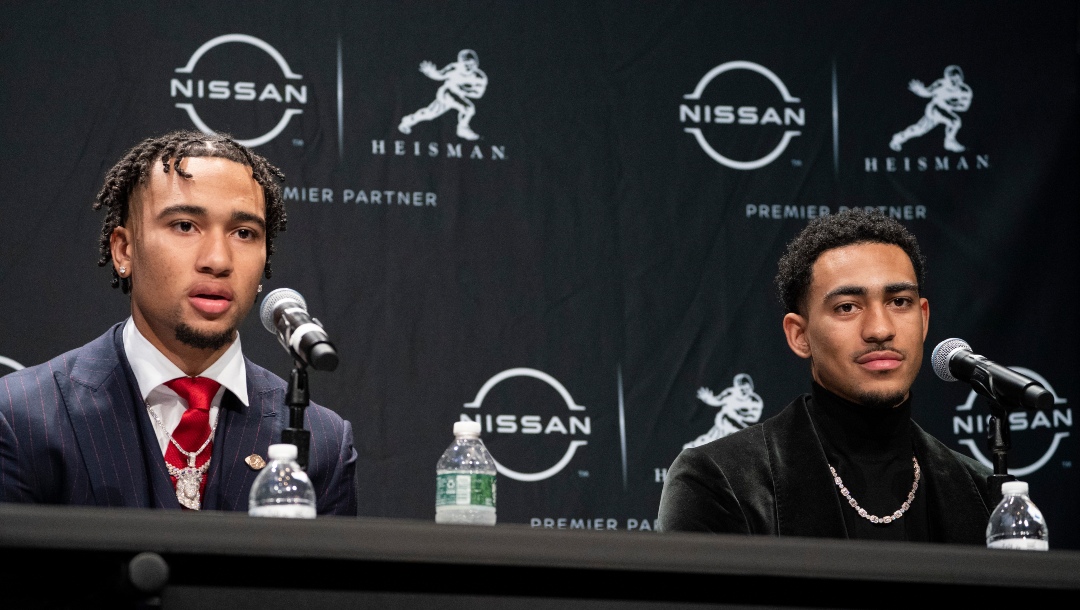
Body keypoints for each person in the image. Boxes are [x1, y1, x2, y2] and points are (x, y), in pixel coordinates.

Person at [0, 131, 357, 514]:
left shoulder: (322, 443)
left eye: (244, 233)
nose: (218, 260)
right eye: (185, 225)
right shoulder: (22, 416)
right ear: (124, 249)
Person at [658, 210, 993, 543]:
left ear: (923, 318)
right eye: (847, 307)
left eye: (898, 302)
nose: (880, 329)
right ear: (799, 335)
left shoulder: (982, 491)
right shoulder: (718, 480)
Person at [398, 49, 488, 141]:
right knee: (468, 108)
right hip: (447, 93)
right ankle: (462, 129)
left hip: (459, 96)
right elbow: (440, 75)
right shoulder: (454, 68)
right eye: (466, 64)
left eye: (471, 64)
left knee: (430, 114)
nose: (468, 67)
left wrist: (463, 90)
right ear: (460, 63)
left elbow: (478, 94)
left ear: (476, 64)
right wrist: (430, 73)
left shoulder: (480, 77)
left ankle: (408, 121)